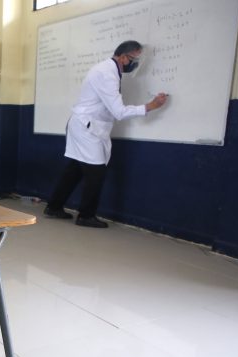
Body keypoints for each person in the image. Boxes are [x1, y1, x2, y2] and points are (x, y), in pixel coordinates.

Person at [44, 40, 168, 228]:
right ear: (123, 57)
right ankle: (86, 216)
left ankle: (53, 206)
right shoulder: (107, 74)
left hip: (85, 125)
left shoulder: (109, 71)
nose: (136, 64)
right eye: (134, 59)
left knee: (76, 169)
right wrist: (150, 106)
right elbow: (119, 112)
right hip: (87, 126)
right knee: (96, 172)